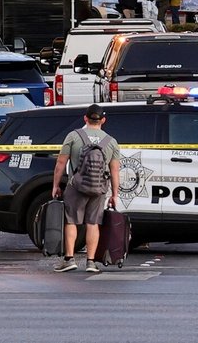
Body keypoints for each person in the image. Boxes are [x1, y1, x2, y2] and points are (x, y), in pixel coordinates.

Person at [50, 105, 121, 274]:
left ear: (85, 118)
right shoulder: (111, 141)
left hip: (76, 186)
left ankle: (69, 259)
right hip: (99, 188)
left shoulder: (74, 136)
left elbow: (60, 163)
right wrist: (115, 194)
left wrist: (55, 185)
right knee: (93, 223)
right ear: (103, 120)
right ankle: (90, 261)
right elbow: (114, 170)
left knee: (71, 221)